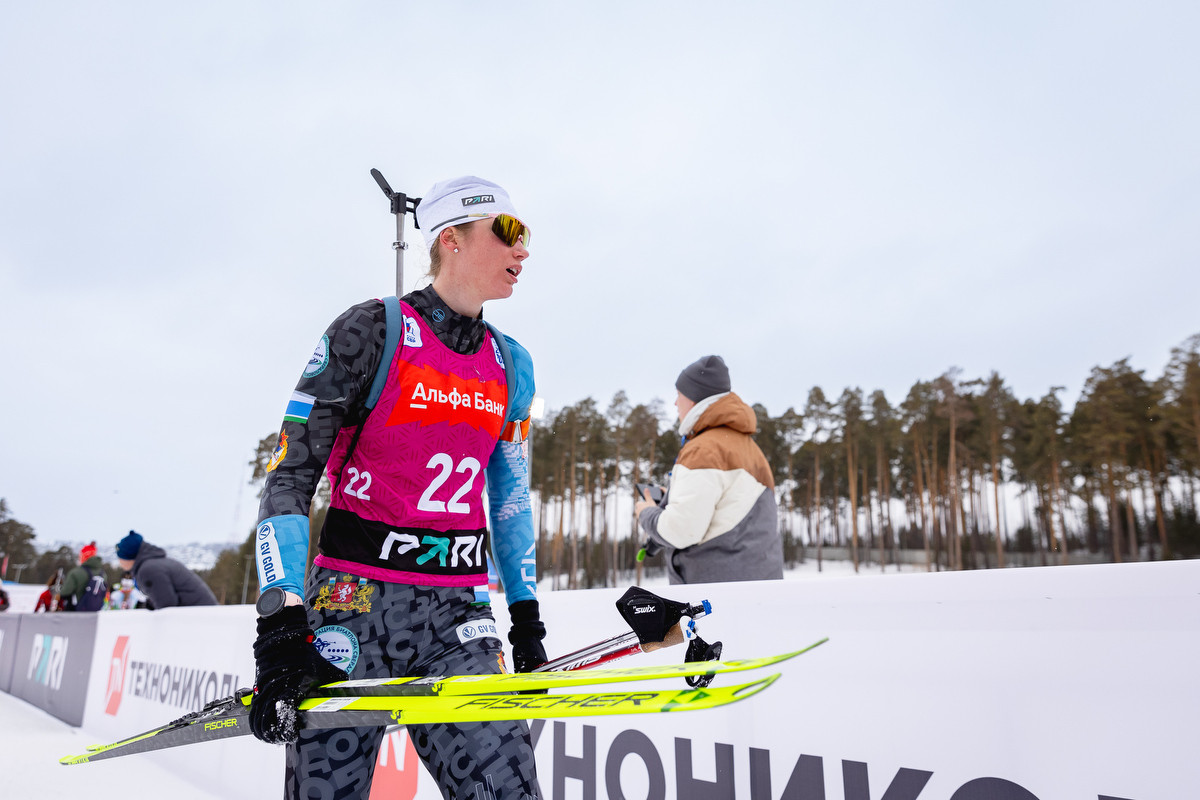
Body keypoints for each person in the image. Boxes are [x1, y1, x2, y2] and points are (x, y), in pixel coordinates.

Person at [250, 175, 543, 800]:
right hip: (351, 611)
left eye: (527, 235)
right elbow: (290, 477)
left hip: (458, 618)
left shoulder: (511, 363)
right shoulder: (370, 331)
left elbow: (511, 497)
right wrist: (280, 625)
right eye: (508, 231)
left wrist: (526, 619)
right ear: (451, 239)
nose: (523, 249)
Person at [634, 355, 785, 584]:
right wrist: (673, 499)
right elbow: (728, 512)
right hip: (758, 584)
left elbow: (681, 531)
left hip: (717, 592)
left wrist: (646, 513)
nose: (675, 403)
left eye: (678, 395)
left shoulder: (704, 449)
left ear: (694, 398)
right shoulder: (747, 447)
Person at [116, 531, 218, 608]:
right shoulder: (155, 563)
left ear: (128, 557)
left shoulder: (149, 570)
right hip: (203, 613)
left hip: (202, 618)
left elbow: (166, 605)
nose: (119, 561)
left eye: (120, 557)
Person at [59, 542, 110, 611]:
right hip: (97, 612)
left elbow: (65, 593)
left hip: (78, 611)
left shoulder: (76, 572)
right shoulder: (103, 574)